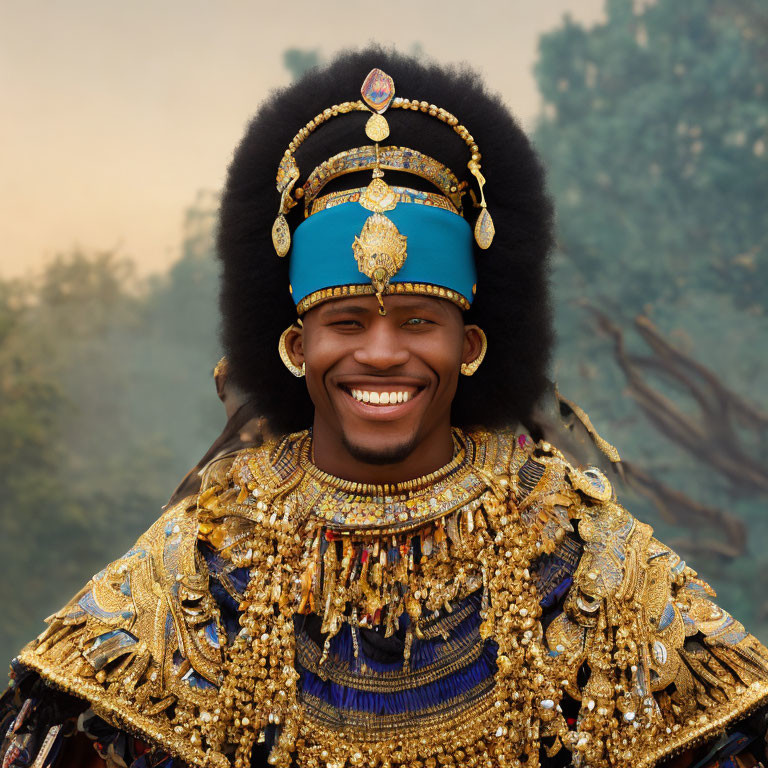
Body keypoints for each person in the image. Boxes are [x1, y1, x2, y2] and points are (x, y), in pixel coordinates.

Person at [2, 49, 767, 768]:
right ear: (296, 347)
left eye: (417, 321)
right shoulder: (200, 558)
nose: (379, 353)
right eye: (345, 323)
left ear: (469, 344)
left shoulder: (578, 547)